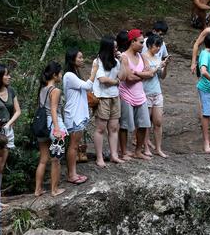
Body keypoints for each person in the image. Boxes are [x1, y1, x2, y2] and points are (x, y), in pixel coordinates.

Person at [63, 48, 97, 184]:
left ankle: (73, 172)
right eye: (80, 58)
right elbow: (88, 86)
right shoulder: (69, 76)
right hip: (74, 115)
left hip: (77, 114)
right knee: (73, 145)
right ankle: (71, 175)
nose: (82, 60)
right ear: (72, 59)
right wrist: (94, 70)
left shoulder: (74, 74)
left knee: (74, 145)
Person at [119, 29, 154, 160]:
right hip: (126, 95)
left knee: (144, 124)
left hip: (140, 94)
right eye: (140, 42)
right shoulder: (124, 57)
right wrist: (143, 75)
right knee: (124, 125)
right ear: (132, 41)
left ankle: (138, 151)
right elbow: (128, 78)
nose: (142, 45)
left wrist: (138, 74)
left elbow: (150, 73)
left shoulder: (142, 56)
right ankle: (123, 151)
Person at [35, 61, 67, 197]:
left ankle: (38, 189)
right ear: (55, 75)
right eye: (60, 73)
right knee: (56, 159)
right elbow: (53, 109)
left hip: (41, 126)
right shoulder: (55, 90)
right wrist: (57, 129)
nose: (61, 75)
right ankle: (54, 190)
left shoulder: (42, 89)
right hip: (54, 125)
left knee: (43, 159)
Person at [92, 36, 124, 167]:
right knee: (100, 128)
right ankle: (99, 157)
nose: (116, 49)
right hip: (102, 98)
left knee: (114, 127)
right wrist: (115, 82)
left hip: (114, 97)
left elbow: (122, 76)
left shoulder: (116, 61)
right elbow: (102, 79)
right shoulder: (97, 61)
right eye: (114, 47)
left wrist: (122, 61)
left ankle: (114, 155)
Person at [142, 34, 170, 158]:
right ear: (149, 45)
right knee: (146, 122)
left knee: (158, 122)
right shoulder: (142, 57)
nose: (158, 48)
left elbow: (162, 76)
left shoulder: (158, 58)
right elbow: (145, 74)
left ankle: (158, 148)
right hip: (145, 93)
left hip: (157, 92)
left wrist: (165, 66)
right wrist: (158, 67)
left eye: (159, 46)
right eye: (156, 46)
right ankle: (146, 147)